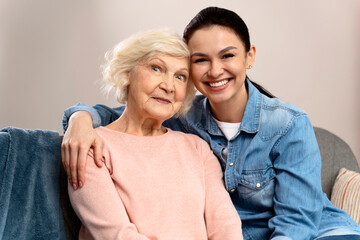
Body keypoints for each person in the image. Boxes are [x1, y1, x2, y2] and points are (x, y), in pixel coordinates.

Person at [62, 7, 360, 240]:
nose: (215, 70)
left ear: (249, 56)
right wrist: (79, 118)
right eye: (200, 60)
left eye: (227, 55)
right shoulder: (182, 118)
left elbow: (296, 225)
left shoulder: (287, 124)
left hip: (317, 233)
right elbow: (127, 116)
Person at [67, 29, 244, 240]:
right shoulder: (91, 146)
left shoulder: (197, 148)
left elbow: (225, 225)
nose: (168, 86)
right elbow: (117, 236)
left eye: (180, 77)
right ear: (126, 73)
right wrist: (78, 117)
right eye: (156, 68)